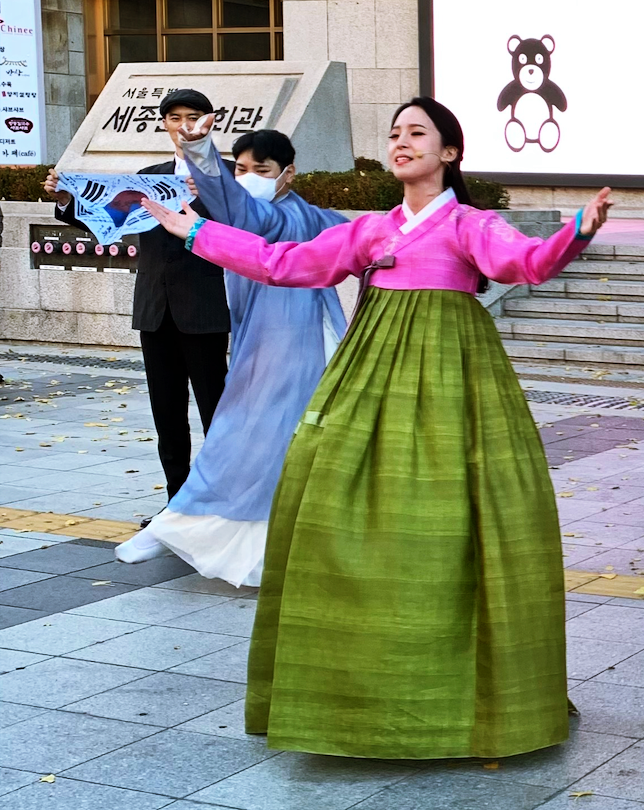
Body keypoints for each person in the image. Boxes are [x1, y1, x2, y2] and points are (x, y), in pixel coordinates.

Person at [140, 98, 613, 761]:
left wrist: (577, 232)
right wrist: (195, 231)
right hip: (368, 372)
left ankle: (453, 687)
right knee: (334, 498)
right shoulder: (369, 230)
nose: (402, 142)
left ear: (450, 152)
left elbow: (527, 263)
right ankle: (350, 690)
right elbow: (283, 262)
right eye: (394, 133)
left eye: (418, 132)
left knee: (453, 519)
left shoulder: (470, 224)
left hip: (452, 375)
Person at [115, 127, 348, 586]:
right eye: (239, 169)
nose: (248, 177)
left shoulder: (290, 216)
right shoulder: (294, 214)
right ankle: (260, 542)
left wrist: (201, 154)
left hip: (291, 346)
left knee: (238, 435)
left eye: (260, 169)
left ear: (288, 173)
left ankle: (177, 520)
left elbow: (248, 213)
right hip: (278, 343)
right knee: (274, 446)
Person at [46, 88, 229, 500]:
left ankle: (222, 502)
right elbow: (110, 220)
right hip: (154, 310)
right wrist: (67, 200)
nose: (184, 126)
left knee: (216, 411)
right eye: (175, 118)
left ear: (210, 121)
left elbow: (248, 228)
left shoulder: (230, 175)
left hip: (205, 309)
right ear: (164, 124)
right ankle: (176, 502)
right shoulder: (148, 176)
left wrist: (211, 195)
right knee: (166, 413)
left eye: (193, 117)